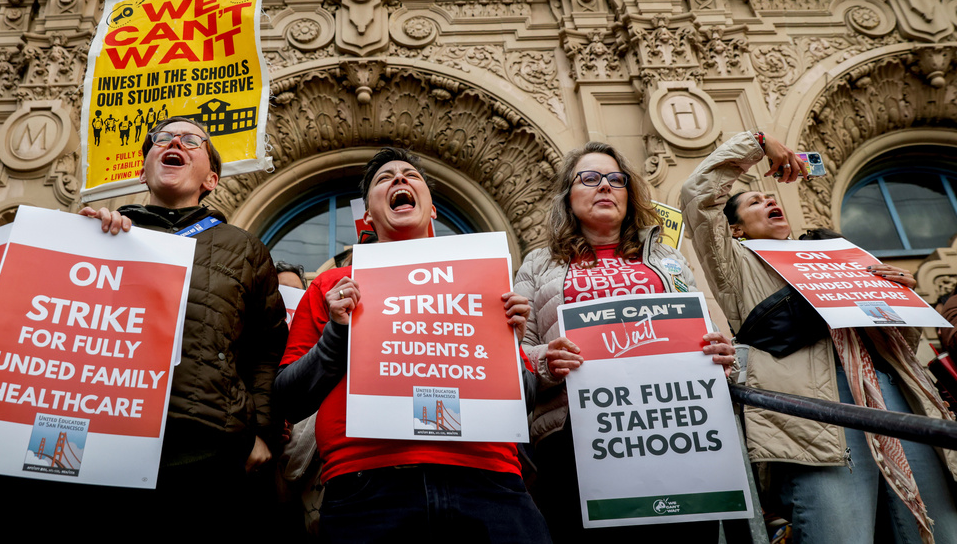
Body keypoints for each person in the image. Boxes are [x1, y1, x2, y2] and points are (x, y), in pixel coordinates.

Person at [0, 117, 288, 543]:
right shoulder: (96, 233)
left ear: (211, 179)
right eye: (162, 140)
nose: (175, 144)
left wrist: (261, 431)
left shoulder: (243, 248)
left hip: (199, 448)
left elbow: (266, 348)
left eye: (192, 141)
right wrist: (84, 243)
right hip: (96, 436)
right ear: (145, 166)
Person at [680, 130, 957, 544]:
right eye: (754, 202)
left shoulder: (837, 256)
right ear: (734, 230)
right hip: (816, 420)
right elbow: (697, 194)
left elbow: (902, 346)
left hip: (896, 398)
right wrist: (757, 144)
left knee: (941, 532)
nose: (769, 201)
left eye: (771, 198)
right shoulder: (737, 267)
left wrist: (898, 296)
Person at [275, 147, 550, 543]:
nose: (400, 180)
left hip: (488, 481)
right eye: (385, 178)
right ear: (367, 216)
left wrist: (510, 347)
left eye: (410, 175)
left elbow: (522, 402)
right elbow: (289, 399)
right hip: (368, 487)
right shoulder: (332, 285)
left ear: (433, 210)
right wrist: (338, 333)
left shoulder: (483, 286)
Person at [515, 141, 734, 543]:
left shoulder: (667, 257)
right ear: (568, 194)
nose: (605, 186)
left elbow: (704, 328)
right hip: (576, 442)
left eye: (616, 180)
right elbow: (516, 353)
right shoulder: (537, 263)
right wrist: (546, 360)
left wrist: (718, 352)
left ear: (628, 193)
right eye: (591, 178)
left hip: (675, 435)